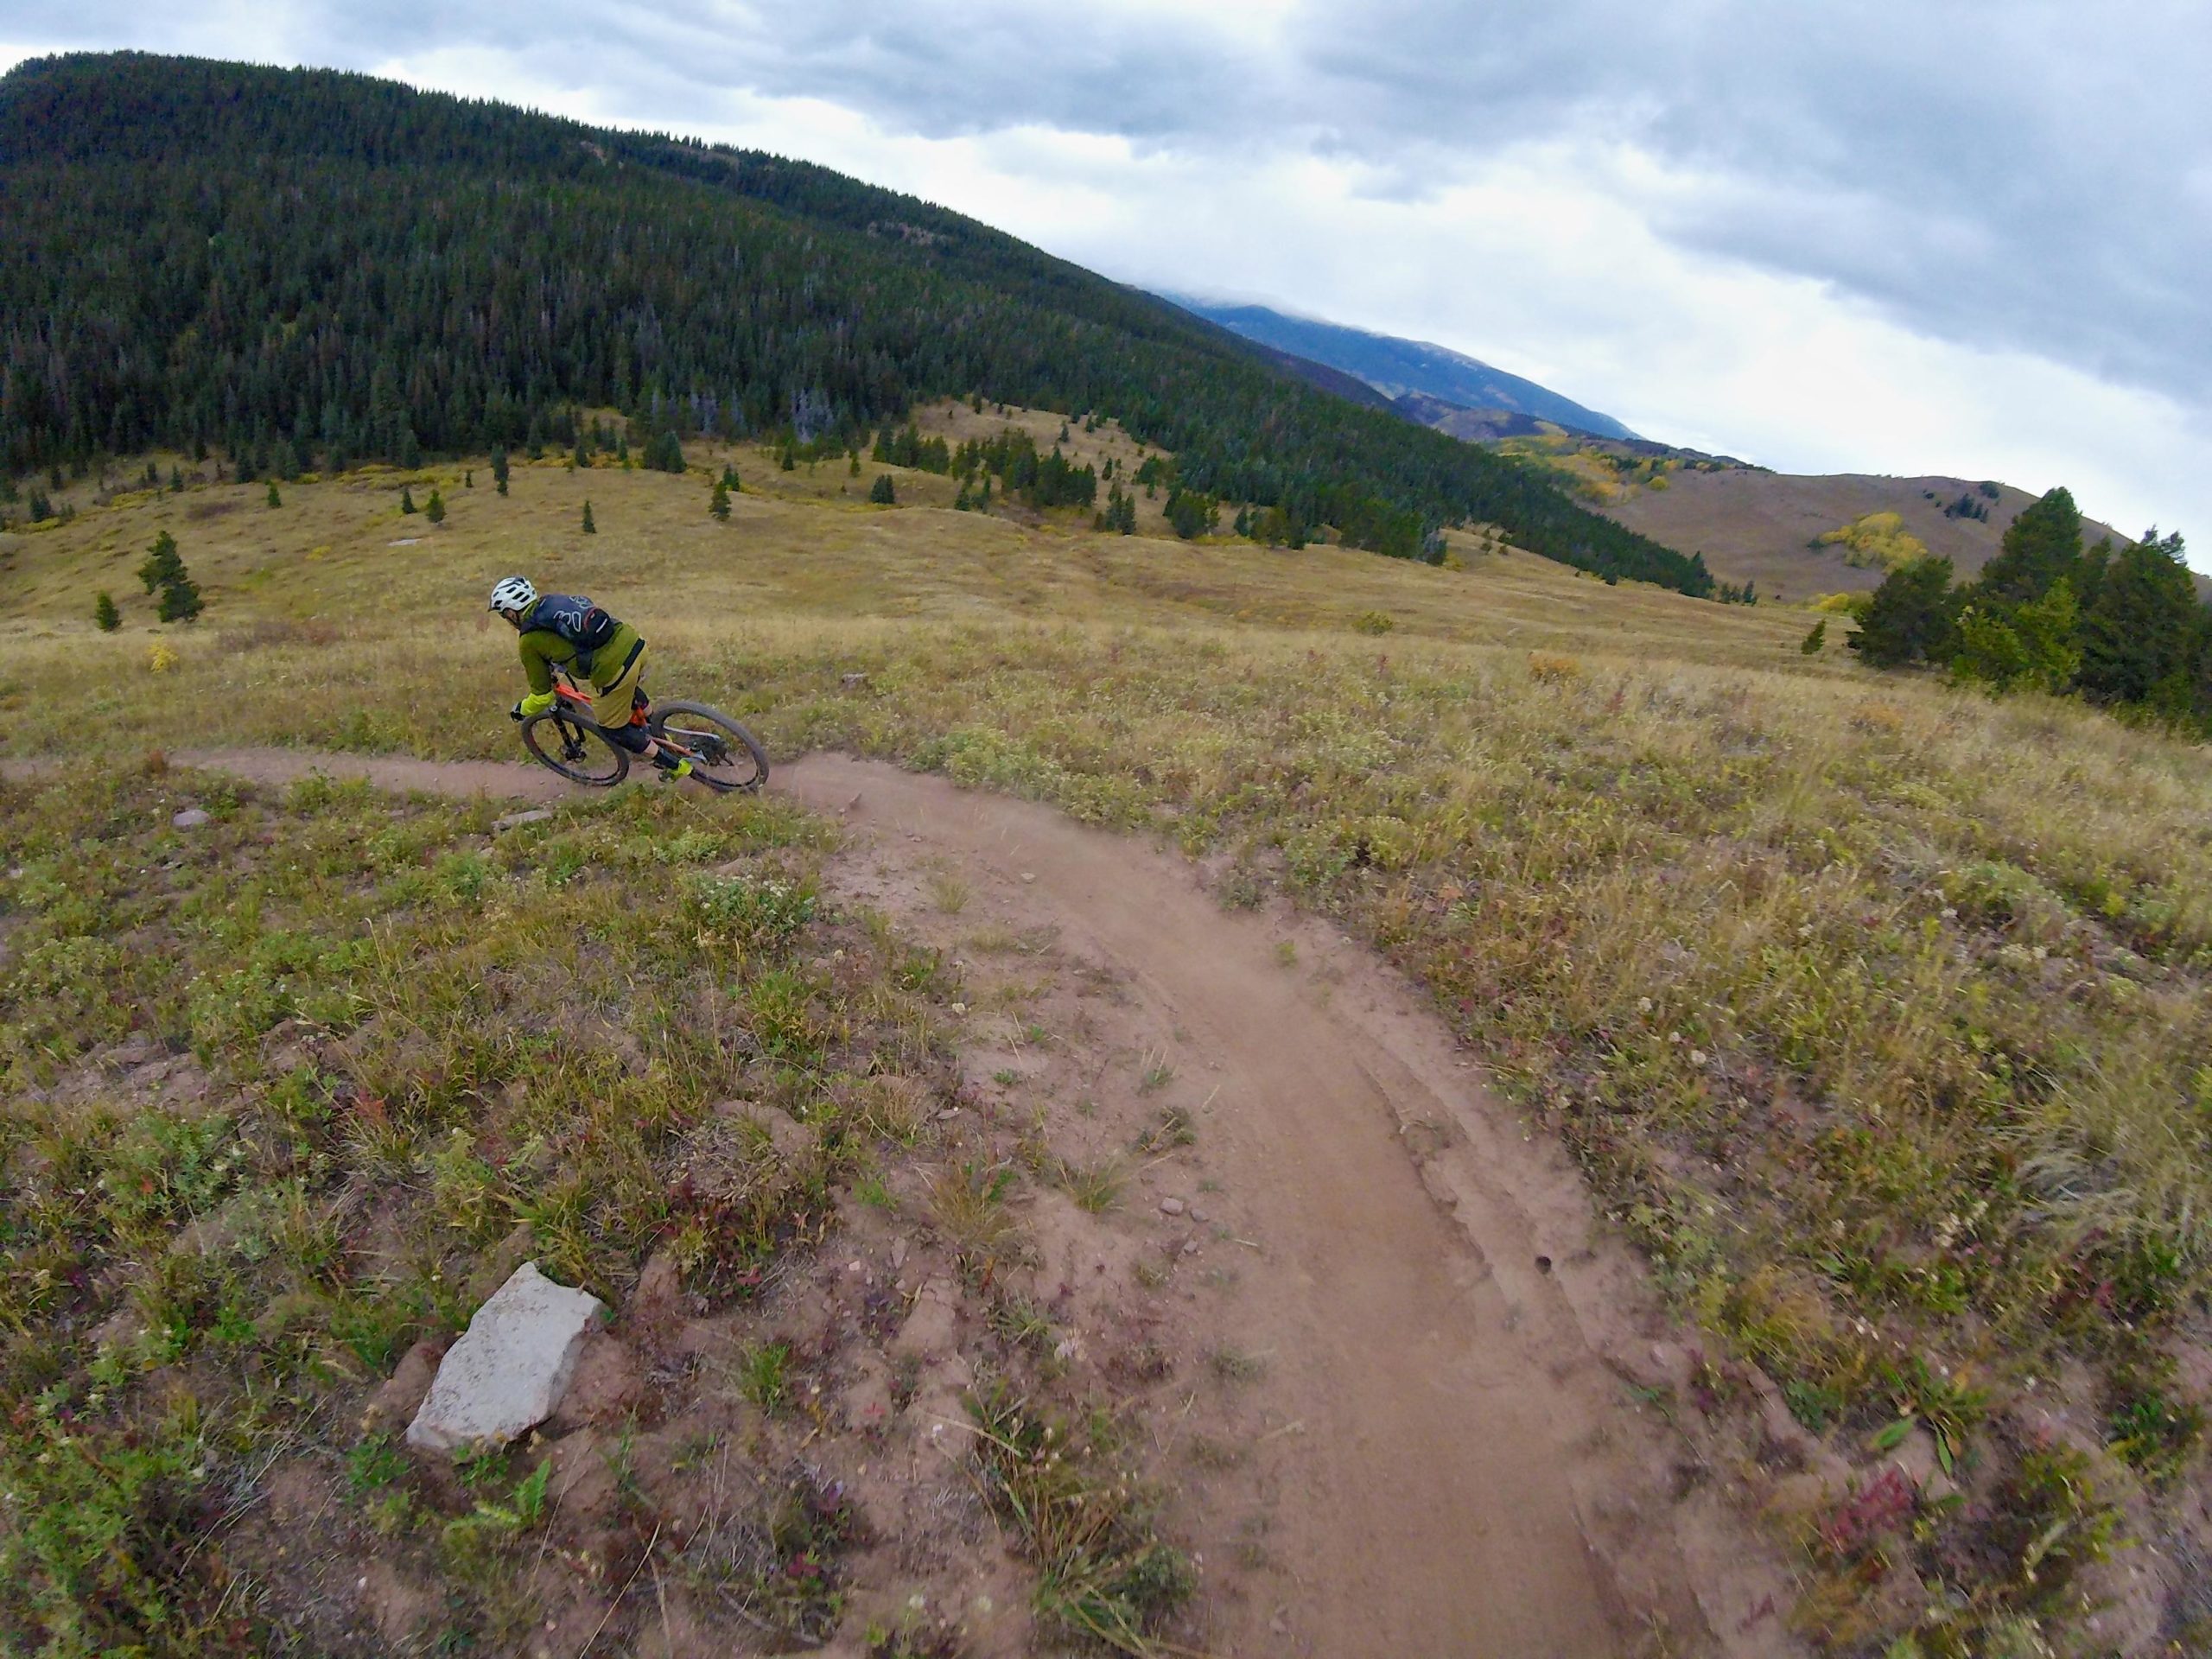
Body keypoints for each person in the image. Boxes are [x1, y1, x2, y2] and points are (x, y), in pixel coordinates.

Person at [486, 576, 691, 779]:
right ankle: (659, 731)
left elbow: (542, 697)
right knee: (624, 689)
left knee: (613, 729)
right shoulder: (552, 603)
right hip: (633, 642)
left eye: (504, 615)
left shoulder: (529, 640)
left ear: (511, 613)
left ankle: (676, 766)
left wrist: (521, 710)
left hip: (614, 668)